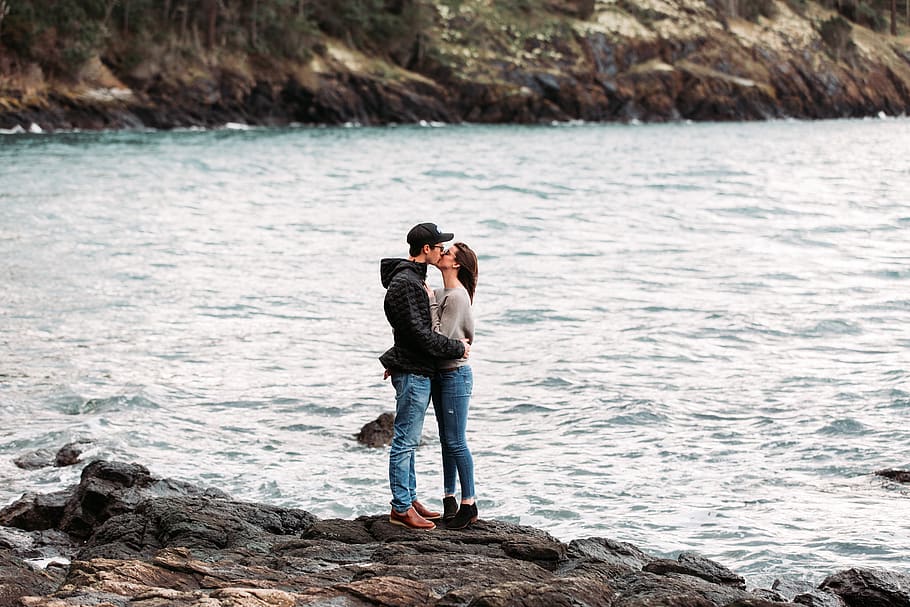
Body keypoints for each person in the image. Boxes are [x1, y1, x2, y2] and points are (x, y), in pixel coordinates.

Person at [380, 222, 469, 531]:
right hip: (414, 371)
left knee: (410, 439)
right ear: (426, 250)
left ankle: (410, 498)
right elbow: (417, 334)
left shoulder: (415, 281)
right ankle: (401, 508)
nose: (442, 250)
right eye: (438, 246)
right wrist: (456, 347)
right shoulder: (406, 283)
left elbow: (408, 331)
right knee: (405, 439)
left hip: (417, 368)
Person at [431, 242, 479, 530]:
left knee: (456, 441)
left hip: (455, 375)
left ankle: (469, 502)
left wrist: (432, 303)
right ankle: (449, 498)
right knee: (446, 441)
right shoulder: (440, 293)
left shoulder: (457, 297)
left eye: (448, 253)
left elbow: (440, 340)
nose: (442, 254)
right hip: (441, 375)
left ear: (457, 264)